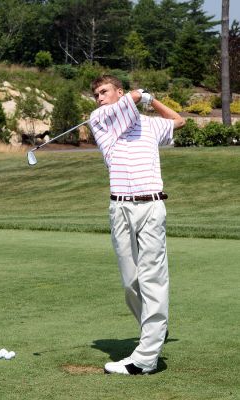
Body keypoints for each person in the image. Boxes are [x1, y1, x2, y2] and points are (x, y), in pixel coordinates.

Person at [89, 75, 185, 375]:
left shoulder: (149, 124)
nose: (99, 98)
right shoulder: (100, 120)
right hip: (119, 207)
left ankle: (146, 356)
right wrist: (136, 95)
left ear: (117, 91)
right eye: (96, 94)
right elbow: (126, 102)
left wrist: (151, 99)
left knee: (153, 277)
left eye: (104, 92)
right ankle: (153, 330)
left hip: (152, 204)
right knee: (131, 281)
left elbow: (179, 121)